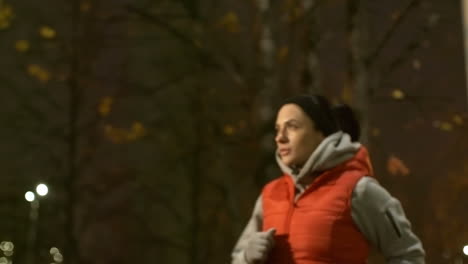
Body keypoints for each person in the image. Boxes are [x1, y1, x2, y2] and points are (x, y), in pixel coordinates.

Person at [231, 94, 425, 264]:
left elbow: (409, 255)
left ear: (321, 133)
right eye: (277, 129)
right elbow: (237, 258)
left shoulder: (359, 190)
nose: (280, 138)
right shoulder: (270, 195)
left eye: (292, 127)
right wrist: (246, 258)